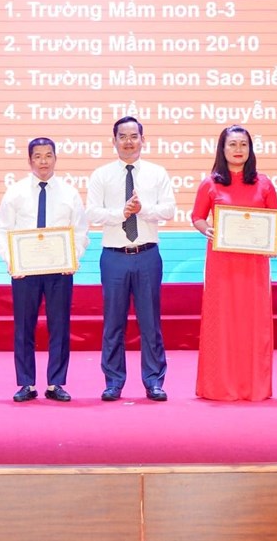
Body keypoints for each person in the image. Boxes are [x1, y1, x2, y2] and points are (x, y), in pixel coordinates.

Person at [86, 116, 176, 402]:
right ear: (113, 141)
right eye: (122, 137)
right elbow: (91, 213)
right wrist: (121, 214)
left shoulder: (157, 173)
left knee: (150, 323)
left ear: (143, 140)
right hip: (114, 257)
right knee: (113, 323)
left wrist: (142, 209)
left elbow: (169, 210)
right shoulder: (101, 175)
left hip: (147, 255)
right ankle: (113, 382)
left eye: (134, 136)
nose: (128, 142)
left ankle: (154, 381)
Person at [0, 137, 89, 403]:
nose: (43, 161)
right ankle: (26, 383)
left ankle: (56, 383)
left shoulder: (69, 193)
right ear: (29, 160)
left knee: (60, 326)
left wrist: (73, 258)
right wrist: (11, 261)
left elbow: (81, 231)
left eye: (48, 155)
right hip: (25, 271)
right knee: (24, 327)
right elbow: (1, 230)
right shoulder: (15, 192)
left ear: (55, 158)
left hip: (60, 271)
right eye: (38, 156)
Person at [190, 125, 277, 402]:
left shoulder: (264, 183)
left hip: (254, 263)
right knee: (223, 321)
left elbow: (274, 219)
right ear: (223, 148)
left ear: (250, 149)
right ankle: (219, 385)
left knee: (253, 322)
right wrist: (207, 229)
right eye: (232, 144)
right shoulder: (210, 183)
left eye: (243, 144)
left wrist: (272, 241)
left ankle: (253, 386)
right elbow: (197, 217)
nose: (238, 149)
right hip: (222, 263)